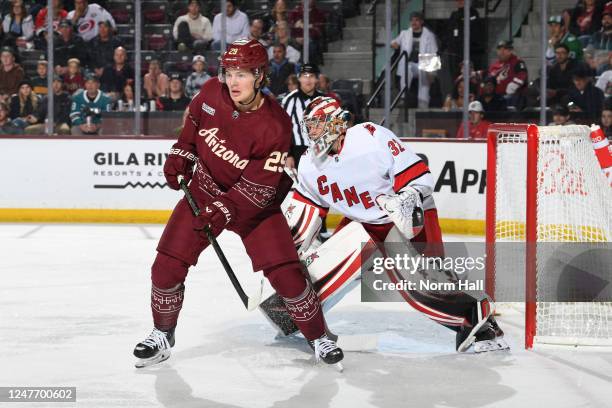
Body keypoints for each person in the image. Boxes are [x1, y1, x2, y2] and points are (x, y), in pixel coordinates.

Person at [132, 39, 343, 368]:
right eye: (229, 72)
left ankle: (319, 337)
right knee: (166, 266)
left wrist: (223, 211)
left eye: (242, 74)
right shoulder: (211, 92)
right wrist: (181, 154)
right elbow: (193, 129)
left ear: (260, 76)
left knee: (287, 276)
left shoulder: (275, 125)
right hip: (203, 191)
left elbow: (259, 188)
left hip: (255, 208)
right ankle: (162, 335)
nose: (233, 81)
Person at [277, 96, 507, 353]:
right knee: (325, 266)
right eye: (309, 126)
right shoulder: (309, 163)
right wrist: (284, 253)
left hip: (403, 218)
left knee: (421, 287)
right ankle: (294, 310)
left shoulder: (370, 137)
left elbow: (418, 176)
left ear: (336, 124)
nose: (312, 132)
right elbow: (305, 209)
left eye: (318, 125)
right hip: (362, 222)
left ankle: (479, 320)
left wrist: (407, 199)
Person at [391, 12, 438, 108]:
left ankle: (423, 105)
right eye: (412, 20)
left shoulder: (429, 35)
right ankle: (403, 98)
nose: (414, 22)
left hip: (424, 64)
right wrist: (394, 44)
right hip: (410, 64)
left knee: (424, 79)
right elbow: (394, 42)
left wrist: (433, 72)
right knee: (407, 69)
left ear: (421, 21)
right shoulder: (405, 33)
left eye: (416, 20)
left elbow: (434, 52)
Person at [281, 63, 324, 169]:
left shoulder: (324, 100)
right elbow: (283, 129)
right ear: (299, 79)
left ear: (317, 80)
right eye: (305, 76)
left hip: (322, 151)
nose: (308, 80)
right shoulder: (289, 100)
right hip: (297, 151)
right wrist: (288, 154)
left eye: (312, 76)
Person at [487, 41, 528, 108]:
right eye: (500, 49)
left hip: (514, 98)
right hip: (497, 98)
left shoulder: (517, 62)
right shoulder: (494, 66)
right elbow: (489, 81)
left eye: (505, 49)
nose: (502, 52)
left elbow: (522, 76)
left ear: (510, 51)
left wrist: (511, 87)